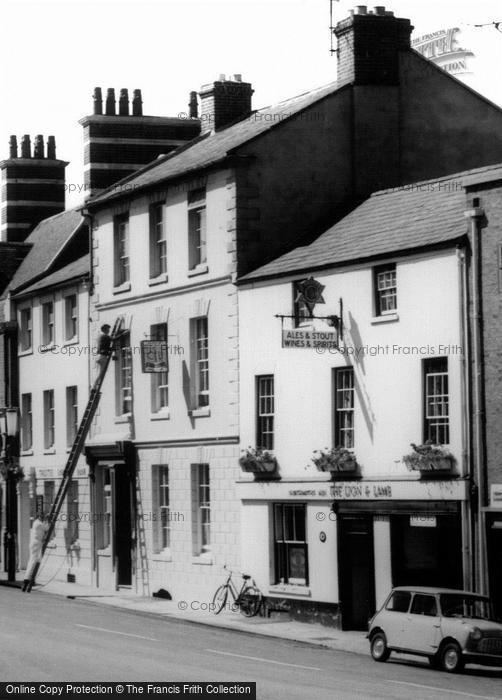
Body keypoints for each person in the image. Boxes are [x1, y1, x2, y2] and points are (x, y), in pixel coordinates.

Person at [22, 512, 50, 592]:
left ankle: (28, 580)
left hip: (36, 543)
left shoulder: (36, 523)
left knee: (34, 561)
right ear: (38, 516)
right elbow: (46, 528)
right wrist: (47, 519)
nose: (42, 517)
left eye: (43, 516)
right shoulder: (38, 523)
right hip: (36, 543)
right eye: (41, 516)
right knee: (33, 562)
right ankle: (27, 580)